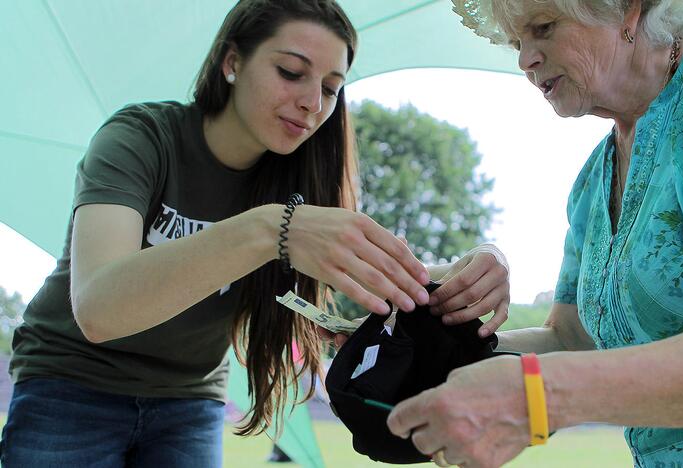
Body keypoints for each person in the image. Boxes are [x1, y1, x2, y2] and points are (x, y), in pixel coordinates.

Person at [0, 1, 510, 466]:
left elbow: (381, 278)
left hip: (188, 398)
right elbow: (98, 309)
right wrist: (269, 229)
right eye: (291, 72)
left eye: (331, 88)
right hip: (68, 384)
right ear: (232, 62)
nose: (313, 102)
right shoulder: (142, 138)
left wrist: (476, 264)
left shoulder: (300, 187)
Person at [388, 0, 683, 466]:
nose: (525, 60)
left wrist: (542, 397)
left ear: (628, 12)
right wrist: (425, 346)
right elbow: (571, 340)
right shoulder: (593, 179)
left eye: (543, 28)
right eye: (518, 42)